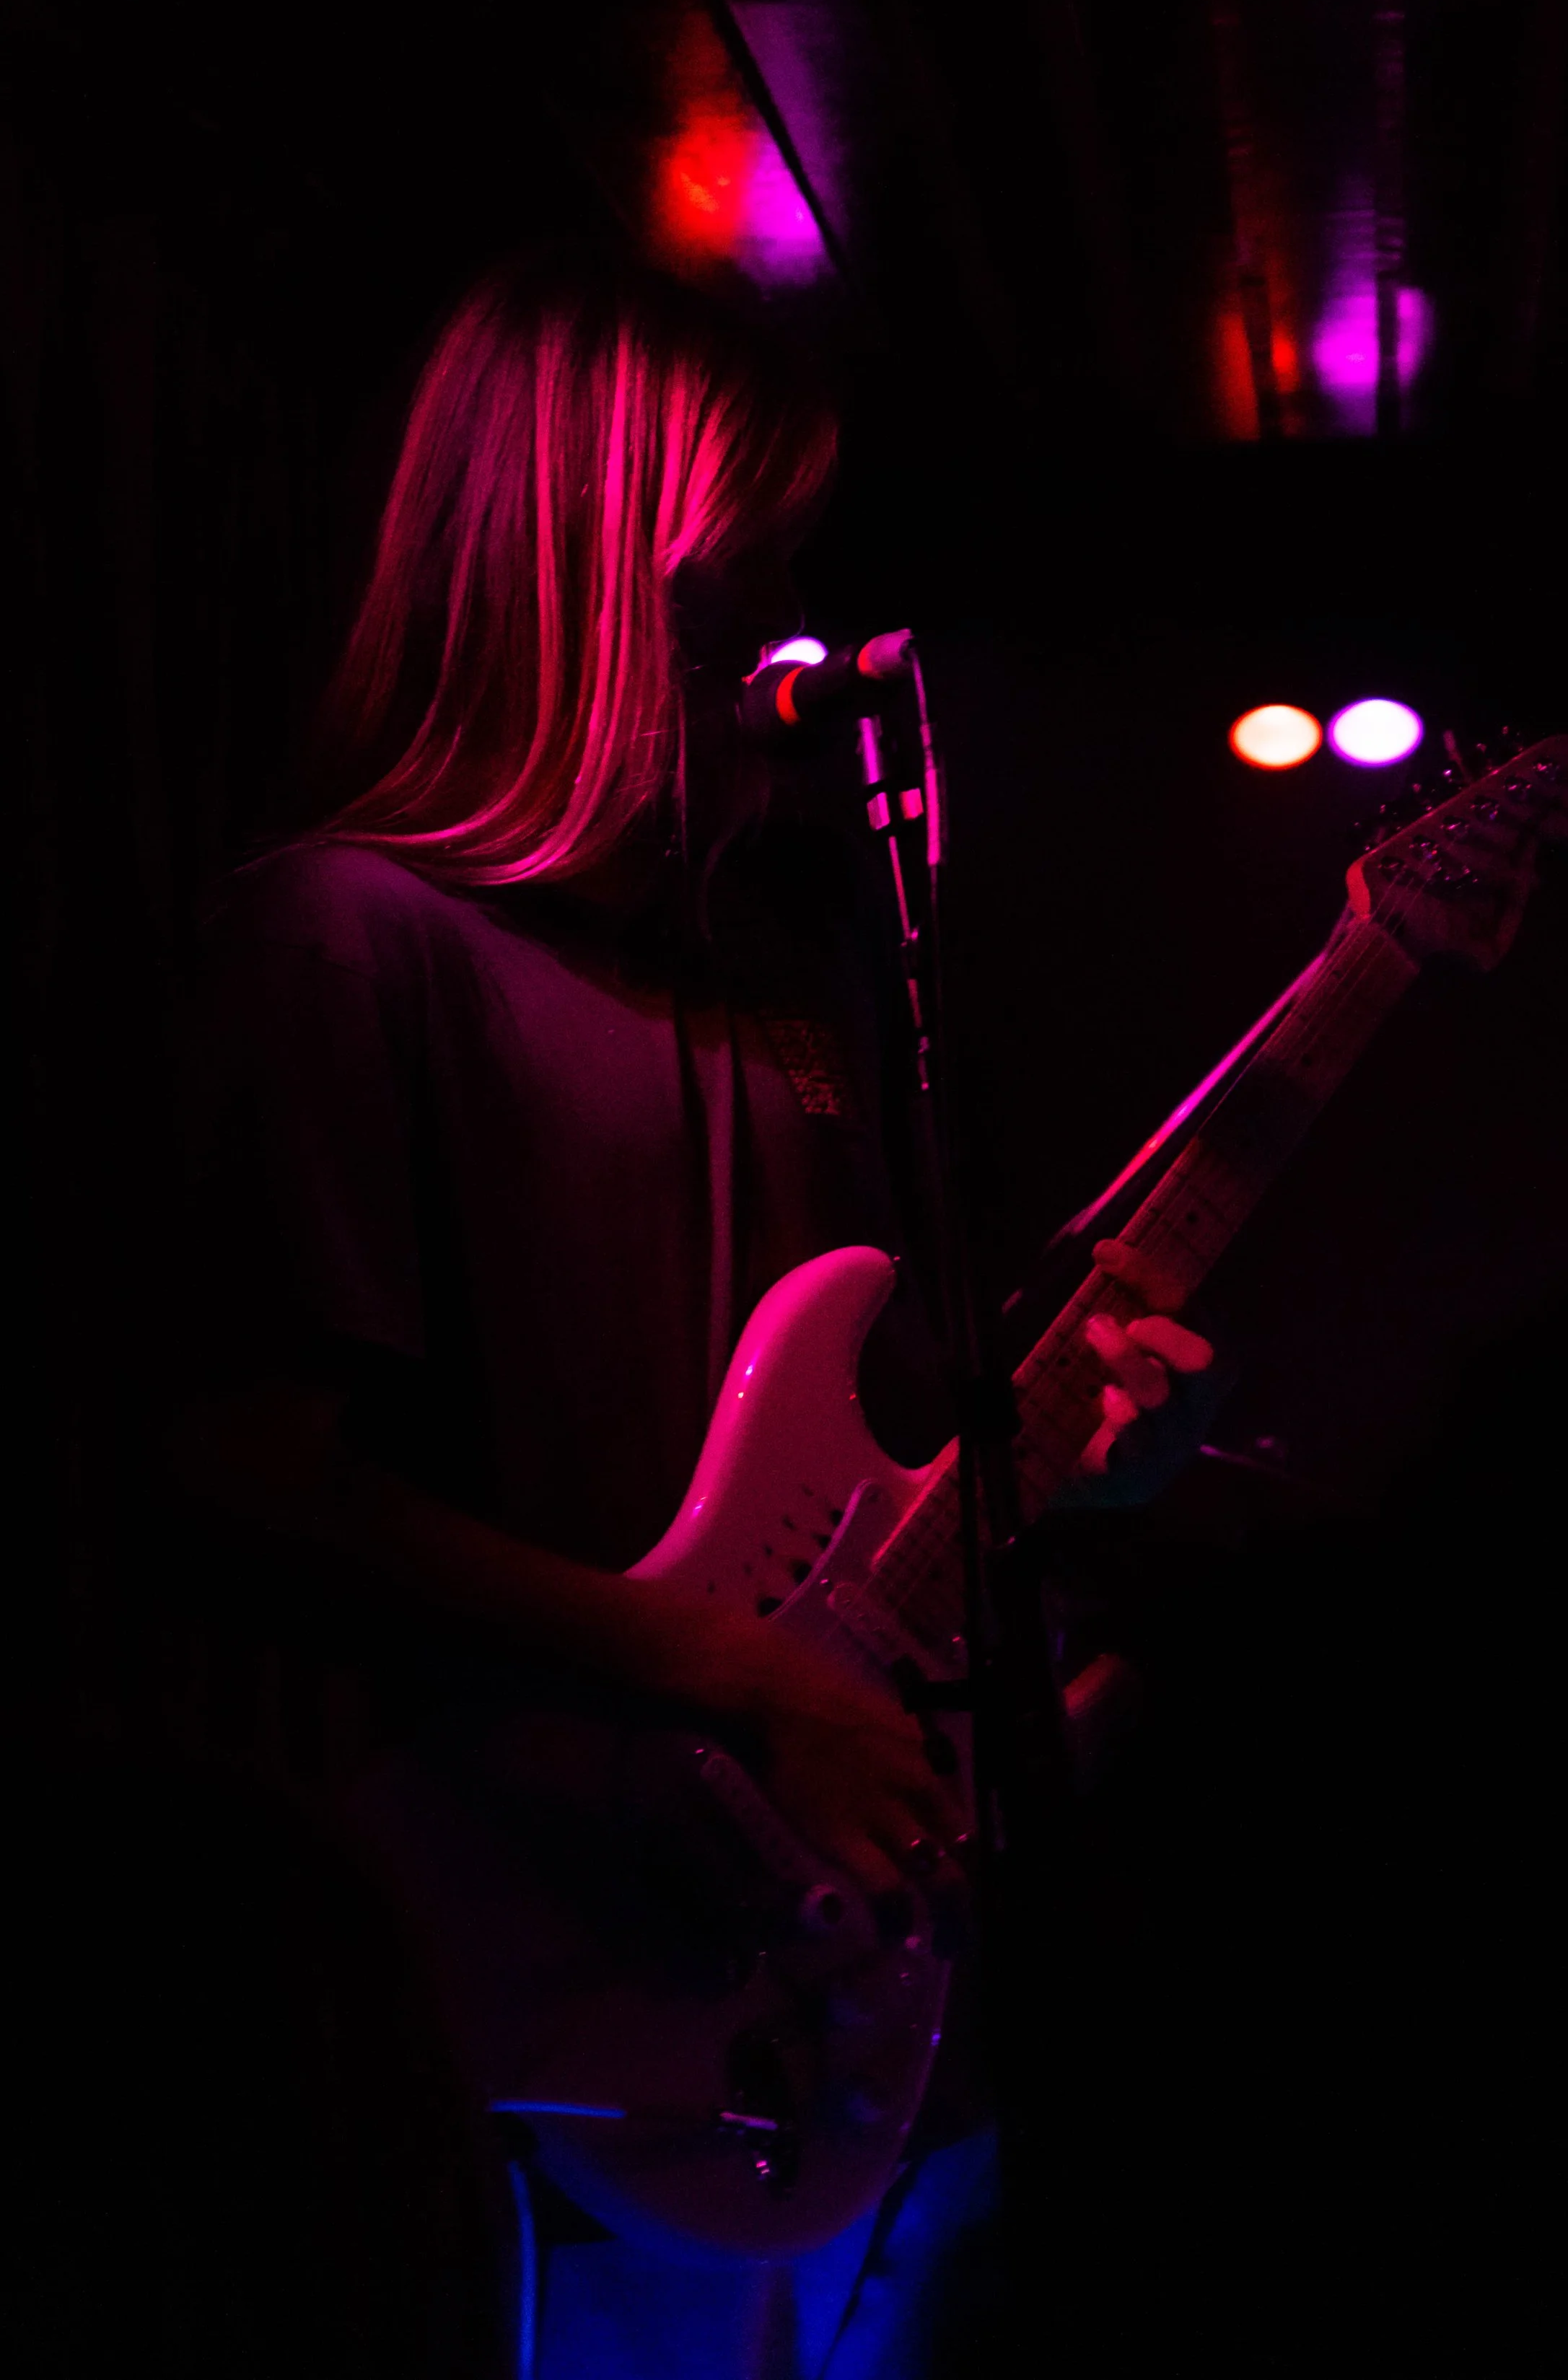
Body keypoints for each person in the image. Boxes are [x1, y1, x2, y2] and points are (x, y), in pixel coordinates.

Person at [171, 241, 1212, 2378]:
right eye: (736, 570)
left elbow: (858, 1492)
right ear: (590, 569)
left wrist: (1073, 1462)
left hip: (782, 1969)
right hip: (509, 1961)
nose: (775, 634)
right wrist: (717, 1675)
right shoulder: (348, 943)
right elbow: (243, 1481)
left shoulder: (770, 1001)